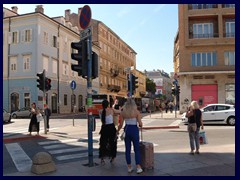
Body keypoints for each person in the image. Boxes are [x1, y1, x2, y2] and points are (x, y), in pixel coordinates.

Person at [117, 98, 143, 174]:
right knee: (136, 149)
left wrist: (117, 131)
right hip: (134, 130)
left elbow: (121, 124)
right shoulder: (136, 112)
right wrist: (141, 124)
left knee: (127, 149)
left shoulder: (123, 112)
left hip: (127, 130)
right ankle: (138, 167)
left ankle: (129, 167)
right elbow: (140, 123)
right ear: (134, 104)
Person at [99, 99, 121, 165]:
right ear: (108, 105)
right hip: (111, 128)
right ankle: (113, 158)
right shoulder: (111, 110)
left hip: (104, 128)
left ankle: (102, 159)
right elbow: (119, 112)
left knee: (103, 143)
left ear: (102, 105)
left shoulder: (100, 111)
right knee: (113, 143)